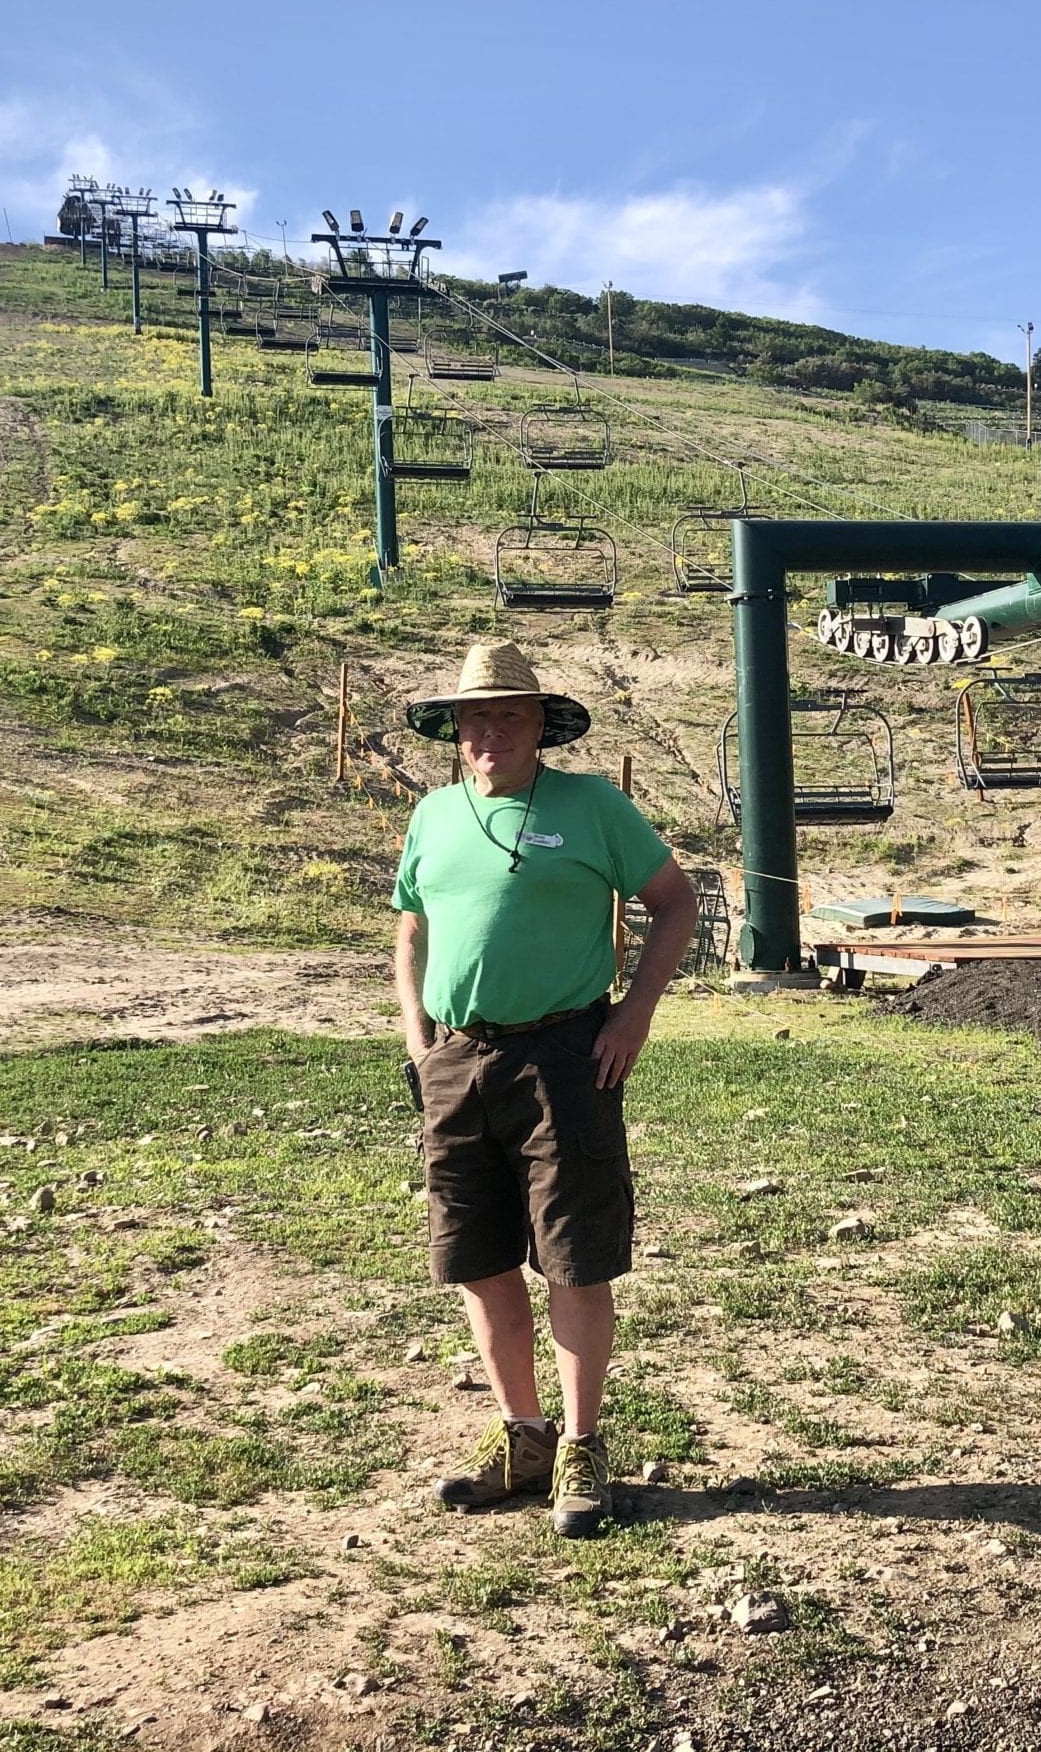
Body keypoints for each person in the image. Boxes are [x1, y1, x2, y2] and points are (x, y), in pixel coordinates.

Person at [392, 639, 699, 1538]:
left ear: (540, 726)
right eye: (474, 716)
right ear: (455, 731)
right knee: (478, 1259)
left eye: (508, 713)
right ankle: (523, 1439)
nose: (490, 729)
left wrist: (632, 1015)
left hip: (565, 1055)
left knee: (573, 1255)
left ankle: (581, 1446)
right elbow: (410, 933)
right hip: (455, 1060)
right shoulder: (434, 816)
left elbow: (674, 902)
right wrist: (418, 1041)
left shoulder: (592, 805)